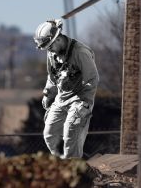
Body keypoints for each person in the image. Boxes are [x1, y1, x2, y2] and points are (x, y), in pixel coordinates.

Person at [33, 19, 99, 159]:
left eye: (50, 47)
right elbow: (52, 76)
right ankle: (61, 167)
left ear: (57, 40)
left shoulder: (80, 52)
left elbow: (92, 79)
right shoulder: (52, 53)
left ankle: (73, 168)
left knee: (71, 132)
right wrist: (48, 94)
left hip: (79, 99)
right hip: (61, 98)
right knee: (49, 135)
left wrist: (85, 103)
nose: (49, 51)